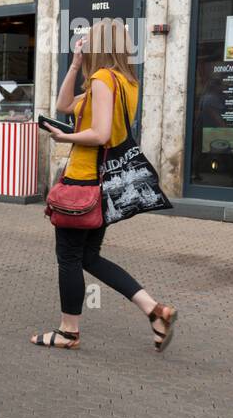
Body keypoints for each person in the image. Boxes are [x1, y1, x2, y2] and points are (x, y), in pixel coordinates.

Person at [34, 22, 178, 352]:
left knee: (69, 258)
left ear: (98, 46)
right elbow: (64, 106)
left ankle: (68, 332)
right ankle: (156, 311)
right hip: (102, 187)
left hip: (83, 183)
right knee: (88, 256)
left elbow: (99, 134)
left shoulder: (102, 81)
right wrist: (74, 65)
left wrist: (64, 136)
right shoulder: (125, 82)